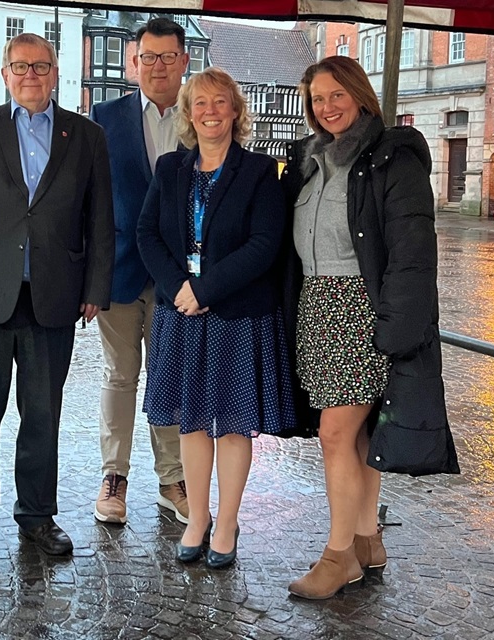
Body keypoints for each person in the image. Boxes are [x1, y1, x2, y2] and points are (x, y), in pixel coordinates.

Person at [281, 56, 459, 600]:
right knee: (356, 435)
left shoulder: (391, 159)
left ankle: (338, 557)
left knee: (335, 434)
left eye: (336, 95)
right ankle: (366, 540)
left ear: (360, 95)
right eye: (317, 99)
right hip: (318, 309)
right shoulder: (311, 160)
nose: (326, 107)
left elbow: (412, 253)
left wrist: (397, 330)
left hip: (362, 311)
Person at [0, 33, 114, 561]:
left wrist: (96, 287)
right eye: (20, 67)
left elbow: (100, 217)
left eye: (40, 66)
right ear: (5, 74)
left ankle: (37, 515)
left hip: (55, 294)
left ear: (55, 73)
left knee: (42, 412)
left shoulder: (86, 136)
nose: (30, 76)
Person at [137, 68, 297, 569]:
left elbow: (265, 244)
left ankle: (226, 523)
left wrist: (205, 290)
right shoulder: (170, 168)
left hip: (237, 315)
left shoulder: (260, 171)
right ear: (188, 113)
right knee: (190, 423)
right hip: (180, 312)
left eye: (220, 102)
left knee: (231, 425)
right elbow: (147, 235)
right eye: (200, 103)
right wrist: (179, 289)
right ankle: (198, 519)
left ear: (235, 110)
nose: (210, 111)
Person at [89, 17, 189, 526]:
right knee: (120, 375)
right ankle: (114, 477)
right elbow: (90, 202)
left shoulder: (200, 116)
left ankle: (173, 479)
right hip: (121, 270)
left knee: (167, 377)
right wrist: (90, 276)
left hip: (179, 278)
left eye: (168, 57)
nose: (158, 67)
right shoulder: (105, 116)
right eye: (149, 57)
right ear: (134, 62)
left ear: (184, 61)